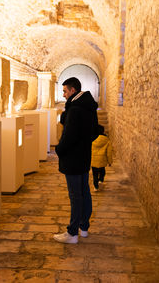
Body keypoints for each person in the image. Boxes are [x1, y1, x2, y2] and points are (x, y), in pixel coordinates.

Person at [54, 77, 98, 244]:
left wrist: (59, 149)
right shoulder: (88, 107)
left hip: (72, 158)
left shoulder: (75, 109)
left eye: (65, 91)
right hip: (84, 156)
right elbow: (93, 132)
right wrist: (83, 144)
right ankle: (84, 228)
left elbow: (69, 136)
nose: (63, 94)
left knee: (75, 196)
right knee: (84, 192)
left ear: (73, 91)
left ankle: (72, 233)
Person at [91, 124, 112, 191]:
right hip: (102, 161)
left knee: (95, 174)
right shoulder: (106, 140)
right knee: (102, 172)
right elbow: (109, 152)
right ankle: (100, 180)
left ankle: (96, 187)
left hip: (93, 161)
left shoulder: (91, 139)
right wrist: (110, 161)